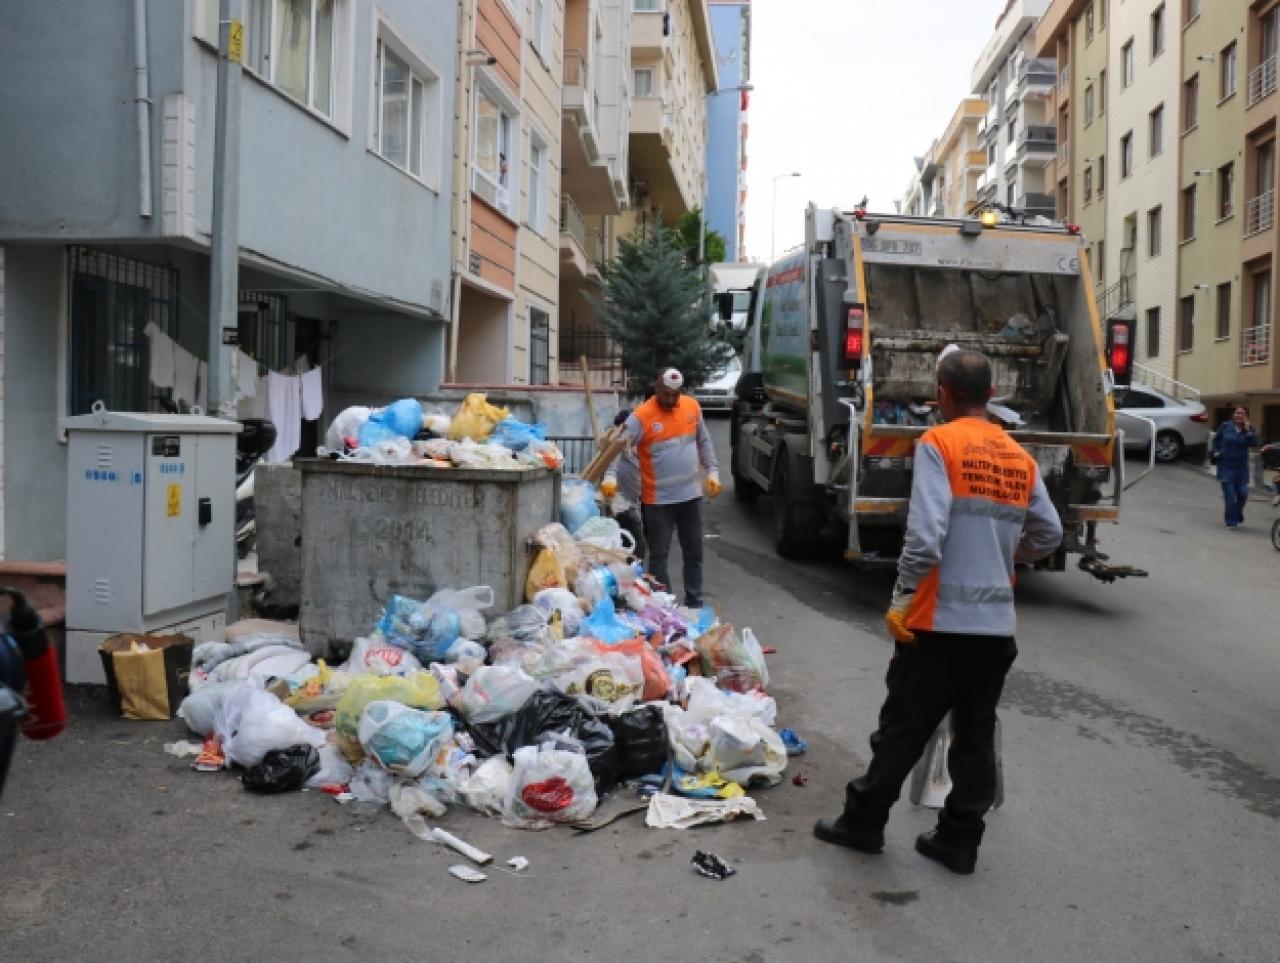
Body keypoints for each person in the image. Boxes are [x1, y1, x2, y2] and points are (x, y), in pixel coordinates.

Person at [814, 349, 1063, 874]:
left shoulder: (938, 444)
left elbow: (926, 538)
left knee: (903, 728)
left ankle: (863, 824)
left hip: (939, 624)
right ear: (991, 395)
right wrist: (1002, 555)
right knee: (974, 737)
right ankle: (959, 840)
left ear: (943, 394)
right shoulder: (1018, 457)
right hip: (995, 629)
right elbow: (1049, 534)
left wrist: (902, 597)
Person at [602, 368, 719, 608]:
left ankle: (694, 602)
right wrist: (610, 476)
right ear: (657, 388)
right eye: (666, 394)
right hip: (657, 502)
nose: (670, 399)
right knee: (658, 557)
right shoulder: (642, 416)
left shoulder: (692, 407)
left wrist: (713, 471)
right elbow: (616, 445)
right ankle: (665, 606)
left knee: (694, 553)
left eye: (675, 395)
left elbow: (703, 441)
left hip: (690, 498)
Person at [606, 408, 648, 563]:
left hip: (631, 496)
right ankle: (633, 563)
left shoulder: (634, 443)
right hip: (622, 498)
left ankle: (631, 562)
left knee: (628, 531)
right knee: (633, 533)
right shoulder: (619, 442)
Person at [1210, 406, 1259, 529]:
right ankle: (1231, 521)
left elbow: (1255, 443)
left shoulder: (1250, 430)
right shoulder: (1225, 426)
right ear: (1233, 415)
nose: (1239, 415)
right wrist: (1216, 451)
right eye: (1237, 413)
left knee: (1243, 494)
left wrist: (1247, 430)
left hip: (1241, 468)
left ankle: (1237, 513)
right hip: (1225, 466)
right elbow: (1216, 441)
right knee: (1229, 495)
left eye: (1242, 413)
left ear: (1246, 416)